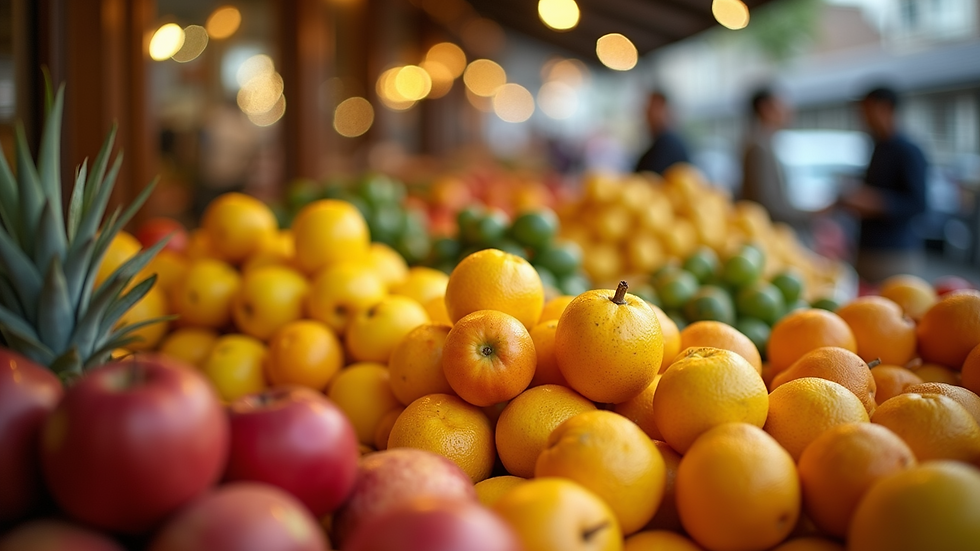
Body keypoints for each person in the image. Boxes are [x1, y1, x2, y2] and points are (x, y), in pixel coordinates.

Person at [840, 86, 927, 283]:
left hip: (894, 254)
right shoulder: (878, 146)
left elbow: (918, 203)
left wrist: (876, 202)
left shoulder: (908, 150)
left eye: (866, 110)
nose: (862, 117)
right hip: (867, 247)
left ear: (885, 108)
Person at [740, 88, 811, 234]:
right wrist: (811, 215)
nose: (788, 109)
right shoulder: (759, 147)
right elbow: (769, 204)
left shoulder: (762, 143)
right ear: (766, 108)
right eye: (782, 104)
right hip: (768, 232)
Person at [634, 91, 690, 175]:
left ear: (663, 110)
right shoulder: (662, 141)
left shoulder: (667, 144)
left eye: (650, 109)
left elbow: (649, 178)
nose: (646, 115)